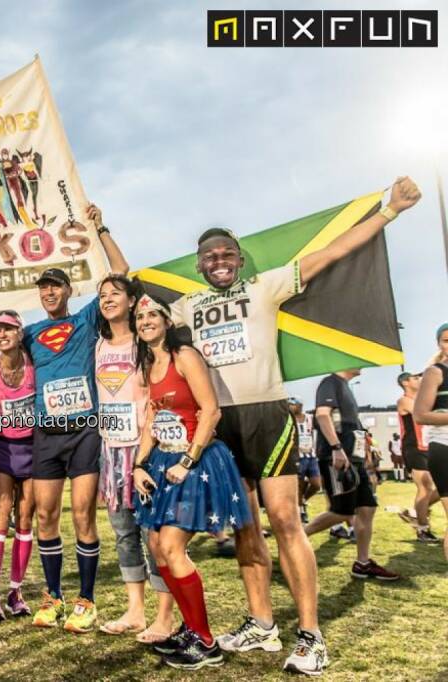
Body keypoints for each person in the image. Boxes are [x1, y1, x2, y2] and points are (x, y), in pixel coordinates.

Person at [167, 176, 420, 675]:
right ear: (199, 265)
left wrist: (389, 211)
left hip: (267, 413)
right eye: (210, 256)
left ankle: (310, 635)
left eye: (226, 254)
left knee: (284, 519)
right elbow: (130, 308)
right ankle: (261, 623)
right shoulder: (185, 307)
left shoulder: (266, 285)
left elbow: (330, 253)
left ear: (239, 260)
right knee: (244, 525)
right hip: (219, 423)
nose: (218, 260)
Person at [131, 294, 252, 670]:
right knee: (156, 544)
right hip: (162, 458)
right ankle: (190, 627)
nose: (146, 320)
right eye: (140, 316)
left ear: (167, 321)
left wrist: (187, 460)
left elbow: (211, 410)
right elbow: (153, 420)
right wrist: (138, 465)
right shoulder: (148, 365)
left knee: (171, 544)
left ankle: (206, 641)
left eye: (153, 314)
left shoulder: (185, 357)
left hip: (194, 460)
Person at [23, 203, 129, 633]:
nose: (49, 293)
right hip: (46, 433)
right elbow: (0, 369)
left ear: (68, 290)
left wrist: (100, 227)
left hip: (85, 429)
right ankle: (53, 596)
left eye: (55, 286)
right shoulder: (28, 333)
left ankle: (86, 600)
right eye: (43, 289)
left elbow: (122, 273)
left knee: (83, 514)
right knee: (45, 516)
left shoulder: (86, 318)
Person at [92, 276, 174, 643]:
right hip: (110, 451)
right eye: (102, 295)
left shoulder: (147, 344)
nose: (108, 299)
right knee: (124, 534)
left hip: (145, 451)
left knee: (152, 535)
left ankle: (164, 616)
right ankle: (135, 611)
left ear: (131, 301)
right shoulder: (97, 346)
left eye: (115, 294)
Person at [303, 370, 400, 582]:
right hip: (337, 457)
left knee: (367, 507)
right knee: (341, 512)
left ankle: (362, 563)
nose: (362, 365)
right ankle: (296, 538)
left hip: (353, 458)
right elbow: (322, 414)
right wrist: (336, 448)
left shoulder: (346, 386)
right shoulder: (331, 381)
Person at [0, 309, 37, 622]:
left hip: (33, 447)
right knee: (1, 516)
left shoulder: (34, 367)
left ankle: (16, 591)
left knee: (25, 518)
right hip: (2, 448)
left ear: (19, 332)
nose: (2, 335)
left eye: (8, 329)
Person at [413, 323, 448, 562]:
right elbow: (420, 414)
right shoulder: (435, 372)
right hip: (444, 447)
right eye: (447, 340)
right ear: (439, 344)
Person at [396, 371, 440, 543]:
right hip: (414, 447)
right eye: (416, 378)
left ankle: (414, 512)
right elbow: (424, 415)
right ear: (405, 383)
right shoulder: (404, 400)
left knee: (442, 486)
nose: (420, 380)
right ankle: (422, 529)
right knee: (426, 486)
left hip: (430, 446)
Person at [291, 399, 320, 524]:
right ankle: (301, 511)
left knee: (316, 484)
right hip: (298, 456)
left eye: (293, 404)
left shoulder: (310, 418)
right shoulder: (289, 419)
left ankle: (303, 500)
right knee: (299, 484)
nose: (291, 407)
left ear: (300, 405)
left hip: (311, 455)